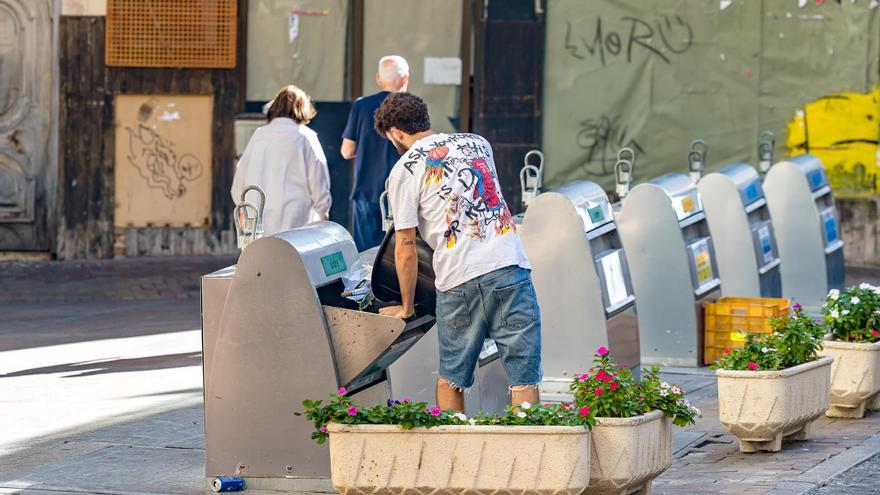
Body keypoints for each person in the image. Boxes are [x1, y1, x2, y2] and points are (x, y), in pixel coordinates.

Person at [374, 92, 541, 411]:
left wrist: (406, 308)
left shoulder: (403, 170)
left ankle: (452, 440)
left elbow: (405, 247)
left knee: (452, 377)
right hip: (509, 266)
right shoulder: (478, 143)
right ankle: (528, 439)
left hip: (458, 277)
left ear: (395, 132)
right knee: (524, 378)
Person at [231, 85, 331, 236]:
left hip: (259, 221)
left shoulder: (259, 136)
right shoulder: (306, 137)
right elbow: (318, 180)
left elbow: (239, 181)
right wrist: (323, 211)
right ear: (303, 108)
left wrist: (244, 210)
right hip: (297, 221)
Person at [341, 55, 410, 251]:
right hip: (401, 191)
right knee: (398, 253)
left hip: (366, 190)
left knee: (365, 255)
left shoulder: (361, 105)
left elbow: (347, 151)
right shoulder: (411, 107)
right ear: (405, 78)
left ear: (379, 78)